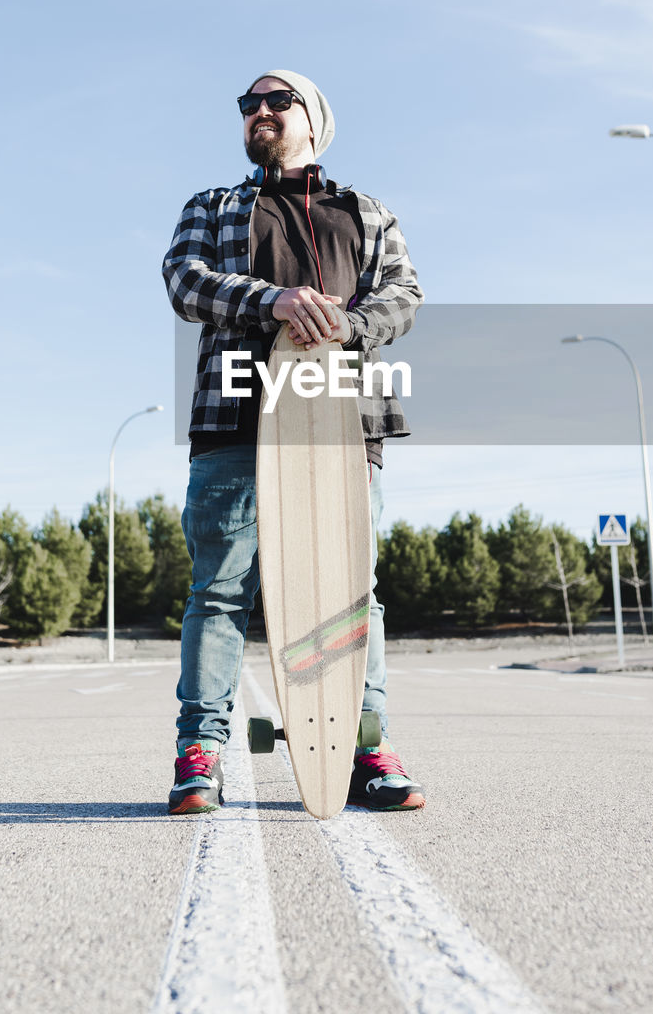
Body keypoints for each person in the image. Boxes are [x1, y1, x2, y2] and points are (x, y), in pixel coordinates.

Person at [162, 69, 424, 815]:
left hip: (342, 421)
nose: (260, 112)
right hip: (235, 420)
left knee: (353, 592)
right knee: (218, 592)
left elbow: (404, 295)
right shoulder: (213, 207)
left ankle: (364, 749)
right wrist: (272, 300)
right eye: (250, 105)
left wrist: (346, 325)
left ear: (315, 120)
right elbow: (184, 280)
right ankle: (199, 753)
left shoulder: (364, 211)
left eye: (278, 101)